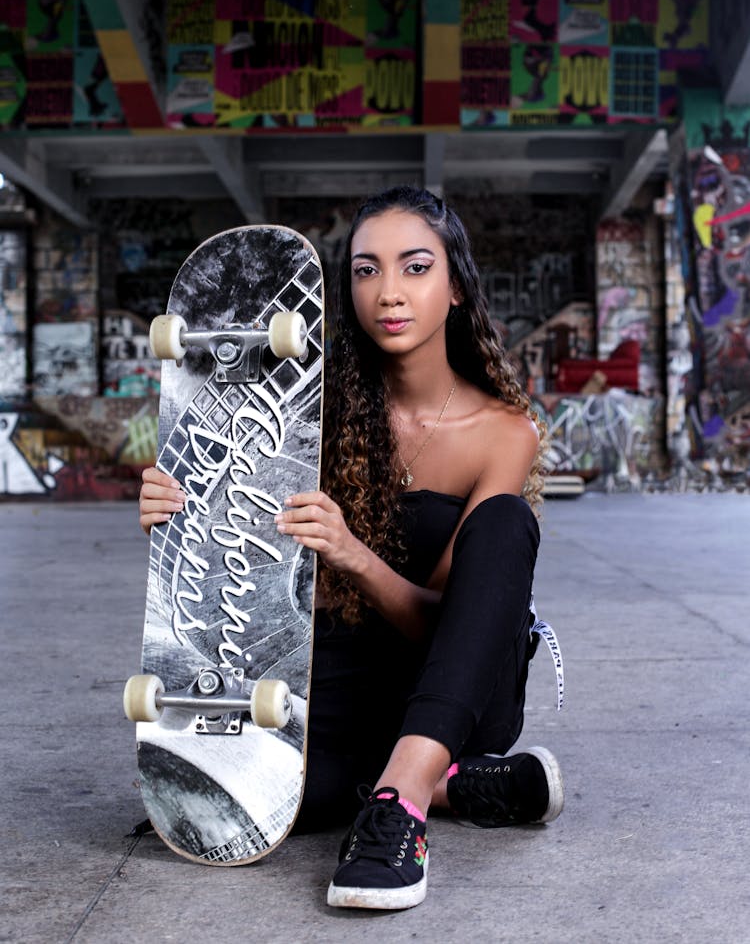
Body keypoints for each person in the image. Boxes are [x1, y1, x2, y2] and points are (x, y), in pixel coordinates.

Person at [139, 185, 564, 911]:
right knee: (271, 799)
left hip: (457, 688)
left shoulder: (506, 430)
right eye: (366, 270)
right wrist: (179, 514)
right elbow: (236, 563)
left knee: (504, 526)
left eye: (415, 267)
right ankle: (454, 782)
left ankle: (400, 807)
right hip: (339, 686)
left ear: (456, 285)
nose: (389, 292)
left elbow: (442, 627)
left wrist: (353, 552)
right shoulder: (309, 408)